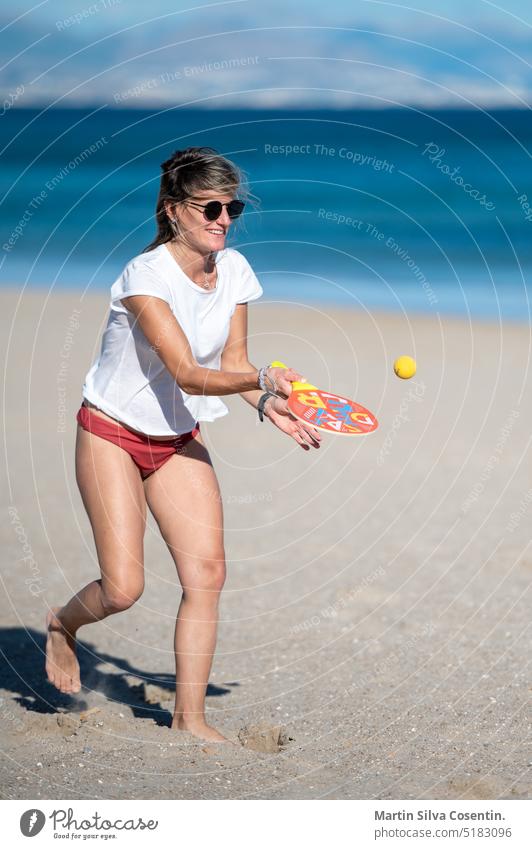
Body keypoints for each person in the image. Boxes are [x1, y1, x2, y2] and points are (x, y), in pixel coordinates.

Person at [45, 146, 321, 743]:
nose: (224, 218)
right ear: (174, 211)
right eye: (210, 207)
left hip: (175, 438)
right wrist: (265, 379)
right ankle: (61, 626)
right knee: (123, 588)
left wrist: (270, 403)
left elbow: (234, 362)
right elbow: (189, 374)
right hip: (111, 432)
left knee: (208, 576)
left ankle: (189, 718)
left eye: (233, 207)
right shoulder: (146, 278)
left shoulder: (236, 272)